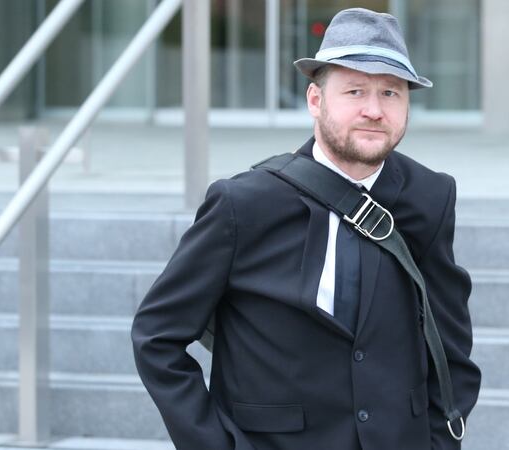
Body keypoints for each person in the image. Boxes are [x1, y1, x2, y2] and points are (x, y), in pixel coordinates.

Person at [131, 7, 481, 450]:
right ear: (315, 101)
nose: (374, 110)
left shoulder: (431, 196)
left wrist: (437, 441)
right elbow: (156, 338)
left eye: (391, 93)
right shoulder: (243, 204)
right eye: (355, 91)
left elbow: (451, 346)